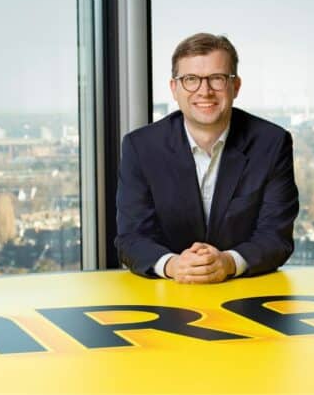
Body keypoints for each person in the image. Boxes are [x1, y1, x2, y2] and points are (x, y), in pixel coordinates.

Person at [115, 33, 299, 284]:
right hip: (167, 293)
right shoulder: (141, 147)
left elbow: (276, 237)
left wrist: (229, 262)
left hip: (244, 292)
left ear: (235, 86)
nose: (205, 91)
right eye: (191, 79)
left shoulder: (271, 144)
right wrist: (173, 265)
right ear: (174, 88)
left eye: (217, 78)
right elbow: (131, 237)